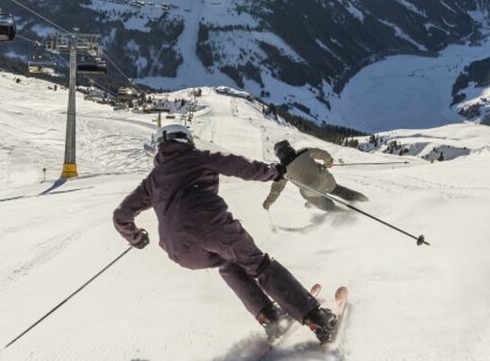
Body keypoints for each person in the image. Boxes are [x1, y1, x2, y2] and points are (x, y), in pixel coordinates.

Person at [114, 124, 339, 343]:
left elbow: (121, 215)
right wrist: (274, 172)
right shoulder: (197, 157)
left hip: (178, 250)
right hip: (210, 226)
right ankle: (317, 318)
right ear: (186, 140)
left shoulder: (152, 180)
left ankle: (270, 317)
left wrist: (136, 237)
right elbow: (240, 166)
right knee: (259, 265)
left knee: (227, 263)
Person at [262, 140, 369, 213]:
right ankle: (365, 201)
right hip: (325, 181)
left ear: (279, 155)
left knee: (316, 199)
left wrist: (268, 202)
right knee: (339, 190)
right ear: (289, 148)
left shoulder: (282, 171)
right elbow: (322, 154)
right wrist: (329, 162)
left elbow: (276, 190)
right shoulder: (304, 152)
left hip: (312, 192)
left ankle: (340, 213)